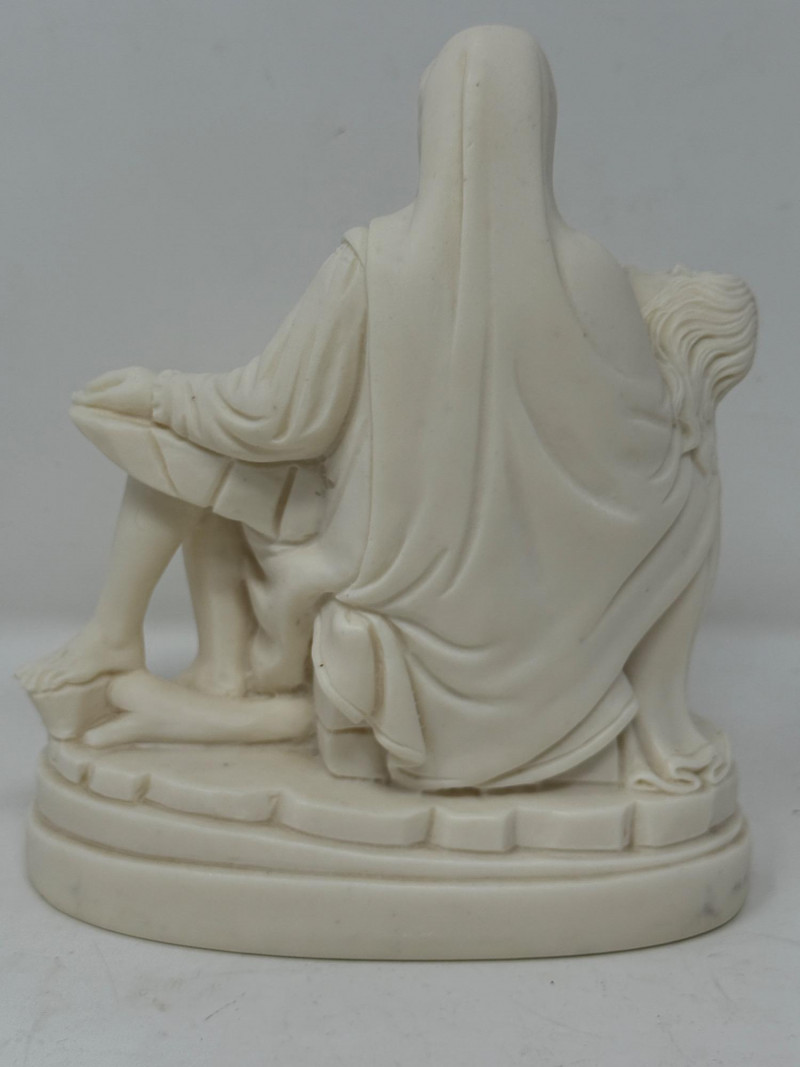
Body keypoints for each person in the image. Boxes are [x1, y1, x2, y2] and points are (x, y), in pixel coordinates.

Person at [18, 26, 756, 793]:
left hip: (382, 601)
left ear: (432, 126)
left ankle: (137, 647)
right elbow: (643, 464)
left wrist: (159, 391)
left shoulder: (372, 263)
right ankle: (215, 673)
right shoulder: (594, 275)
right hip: (541, 653)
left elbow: (272, 417)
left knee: (172, 441)